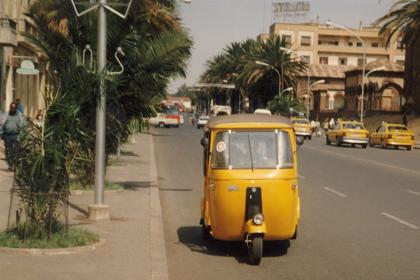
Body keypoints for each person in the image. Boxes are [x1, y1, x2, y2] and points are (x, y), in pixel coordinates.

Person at [1, 102, 25, 171]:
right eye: (11, 107)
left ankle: (14, 164)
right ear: (10, 108)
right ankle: (10, 165)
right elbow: (1, 123)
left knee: (15, 151)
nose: (13, 109)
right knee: (8, 151)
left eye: (14, 108)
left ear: (16, 108)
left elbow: (23, 125)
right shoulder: (6, 114)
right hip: (7, 136)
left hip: (16, 135)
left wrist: (21, 133)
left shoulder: (19, 115)